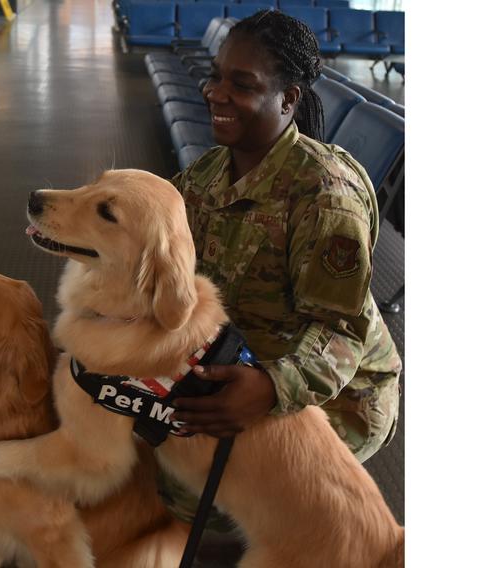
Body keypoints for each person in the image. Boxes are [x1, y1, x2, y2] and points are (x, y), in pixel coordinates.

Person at [162, 10, 402, 527]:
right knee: (146, 447)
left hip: (337, 395)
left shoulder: (323, 197)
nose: (215, 93)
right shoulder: (210, 172)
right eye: (217, 75)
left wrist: (270, 390)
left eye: (241, 84)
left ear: (288, 100)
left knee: (185, 491)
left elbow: (341, 333)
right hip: (248, 354)